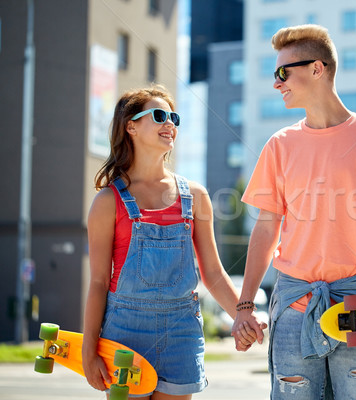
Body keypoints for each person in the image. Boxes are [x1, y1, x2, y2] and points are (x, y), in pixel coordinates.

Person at [232, 25, 356, 399]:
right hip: (295, 309)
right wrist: (245, 305)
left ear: (317, 68)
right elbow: (266, 231)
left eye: (283, 72)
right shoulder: (279, 146)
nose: (276, 83)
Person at [82, 85, 259, 399]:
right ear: (131, 126)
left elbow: (214, 275)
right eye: (160, 115)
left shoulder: (196, 196)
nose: (170, 124)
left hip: (181, 333)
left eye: (173, 117)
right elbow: (98, 282)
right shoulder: (108, 201)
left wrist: (242, 315)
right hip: (125, 332)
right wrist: (89, 349)